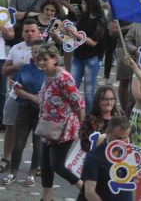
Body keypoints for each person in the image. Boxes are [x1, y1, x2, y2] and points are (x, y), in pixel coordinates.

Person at [36, 44, 84, 201]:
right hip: (47, 126)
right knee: (45, 163)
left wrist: (83, 128)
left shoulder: (64, 78)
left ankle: (85, 188)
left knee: (57, 165)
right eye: (39, 59)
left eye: (45, 59)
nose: (41, 62)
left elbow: (79, 104)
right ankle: (47, 197)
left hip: (64, 128)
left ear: (55, 59)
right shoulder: (47, 75)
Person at [1, 41, 44, 187]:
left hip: (42, 112)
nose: (37, 55)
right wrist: (32, 97)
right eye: (34, 52)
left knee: (38, 144)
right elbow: (16, 88)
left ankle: (32, 174)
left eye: (40, 52)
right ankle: (13, 172)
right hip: (25, 109)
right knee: (19, 143)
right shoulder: (25, 68)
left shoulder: (50, 71)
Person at [80, 116, 138, 201]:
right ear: (108, 133)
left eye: (125, 137)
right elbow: (89, 193)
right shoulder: (94, 156)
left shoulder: (130, 155)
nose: (122, 142)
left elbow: (133, 185)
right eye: (118, 138)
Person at [69, 0, 106, 112]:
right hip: (78, 56)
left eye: (84, 3)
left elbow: (93, 42)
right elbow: (76, 32)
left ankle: (90, 117)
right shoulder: (82, 16)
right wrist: (70, 31)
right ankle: (71, 114)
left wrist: (77, 35)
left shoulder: (100, 20)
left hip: (92, 58)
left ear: (90, 4)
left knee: (89, 91)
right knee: (71, 87)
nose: (82, 5)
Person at [77, 85, 121, 152]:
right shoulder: (89, 120)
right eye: (105, 99)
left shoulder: (119, 119)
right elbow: (85, 146)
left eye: (112, 99)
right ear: (97, 101)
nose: (109, 103)